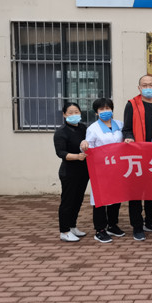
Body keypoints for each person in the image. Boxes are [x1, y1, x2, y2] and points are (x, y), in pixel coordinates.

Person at [123, 75, 152, 241]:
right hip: (138, 154)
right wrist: (129, 138)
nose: (148, 88)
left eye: (151, 85)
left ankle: (150, 221)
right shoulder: (132, 104)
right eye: (144, 85)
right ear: (139, 87)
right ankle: (137, 225)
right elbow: (127, 129)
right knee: (136, 191)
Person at [80, 98, 124, 243]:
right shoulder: (93, 129)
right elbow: (88, 148)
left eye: (108, 108)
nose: (105, 111)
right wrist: (84, 145)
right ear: (96, 112)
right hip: (101, 169)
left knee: (116, 197)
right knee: (100, 199)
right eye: (101, 109)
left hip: (118, 167)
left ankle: (112, 225)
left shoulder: (120, 125)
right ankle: (100, 229)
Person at [53, 102, 88, 242]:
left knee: (78, 200)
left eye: (76, 112)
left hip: (83, 171)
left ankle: (72, 226)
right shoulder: (61, 132)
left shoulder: (83, 128)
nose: (74, 115)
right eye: (70, 112)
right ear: (64, 114)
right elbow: (60, 152)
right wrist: (76, 157)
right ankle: (64, 231)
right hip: (69, 172)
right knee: (68, 201)